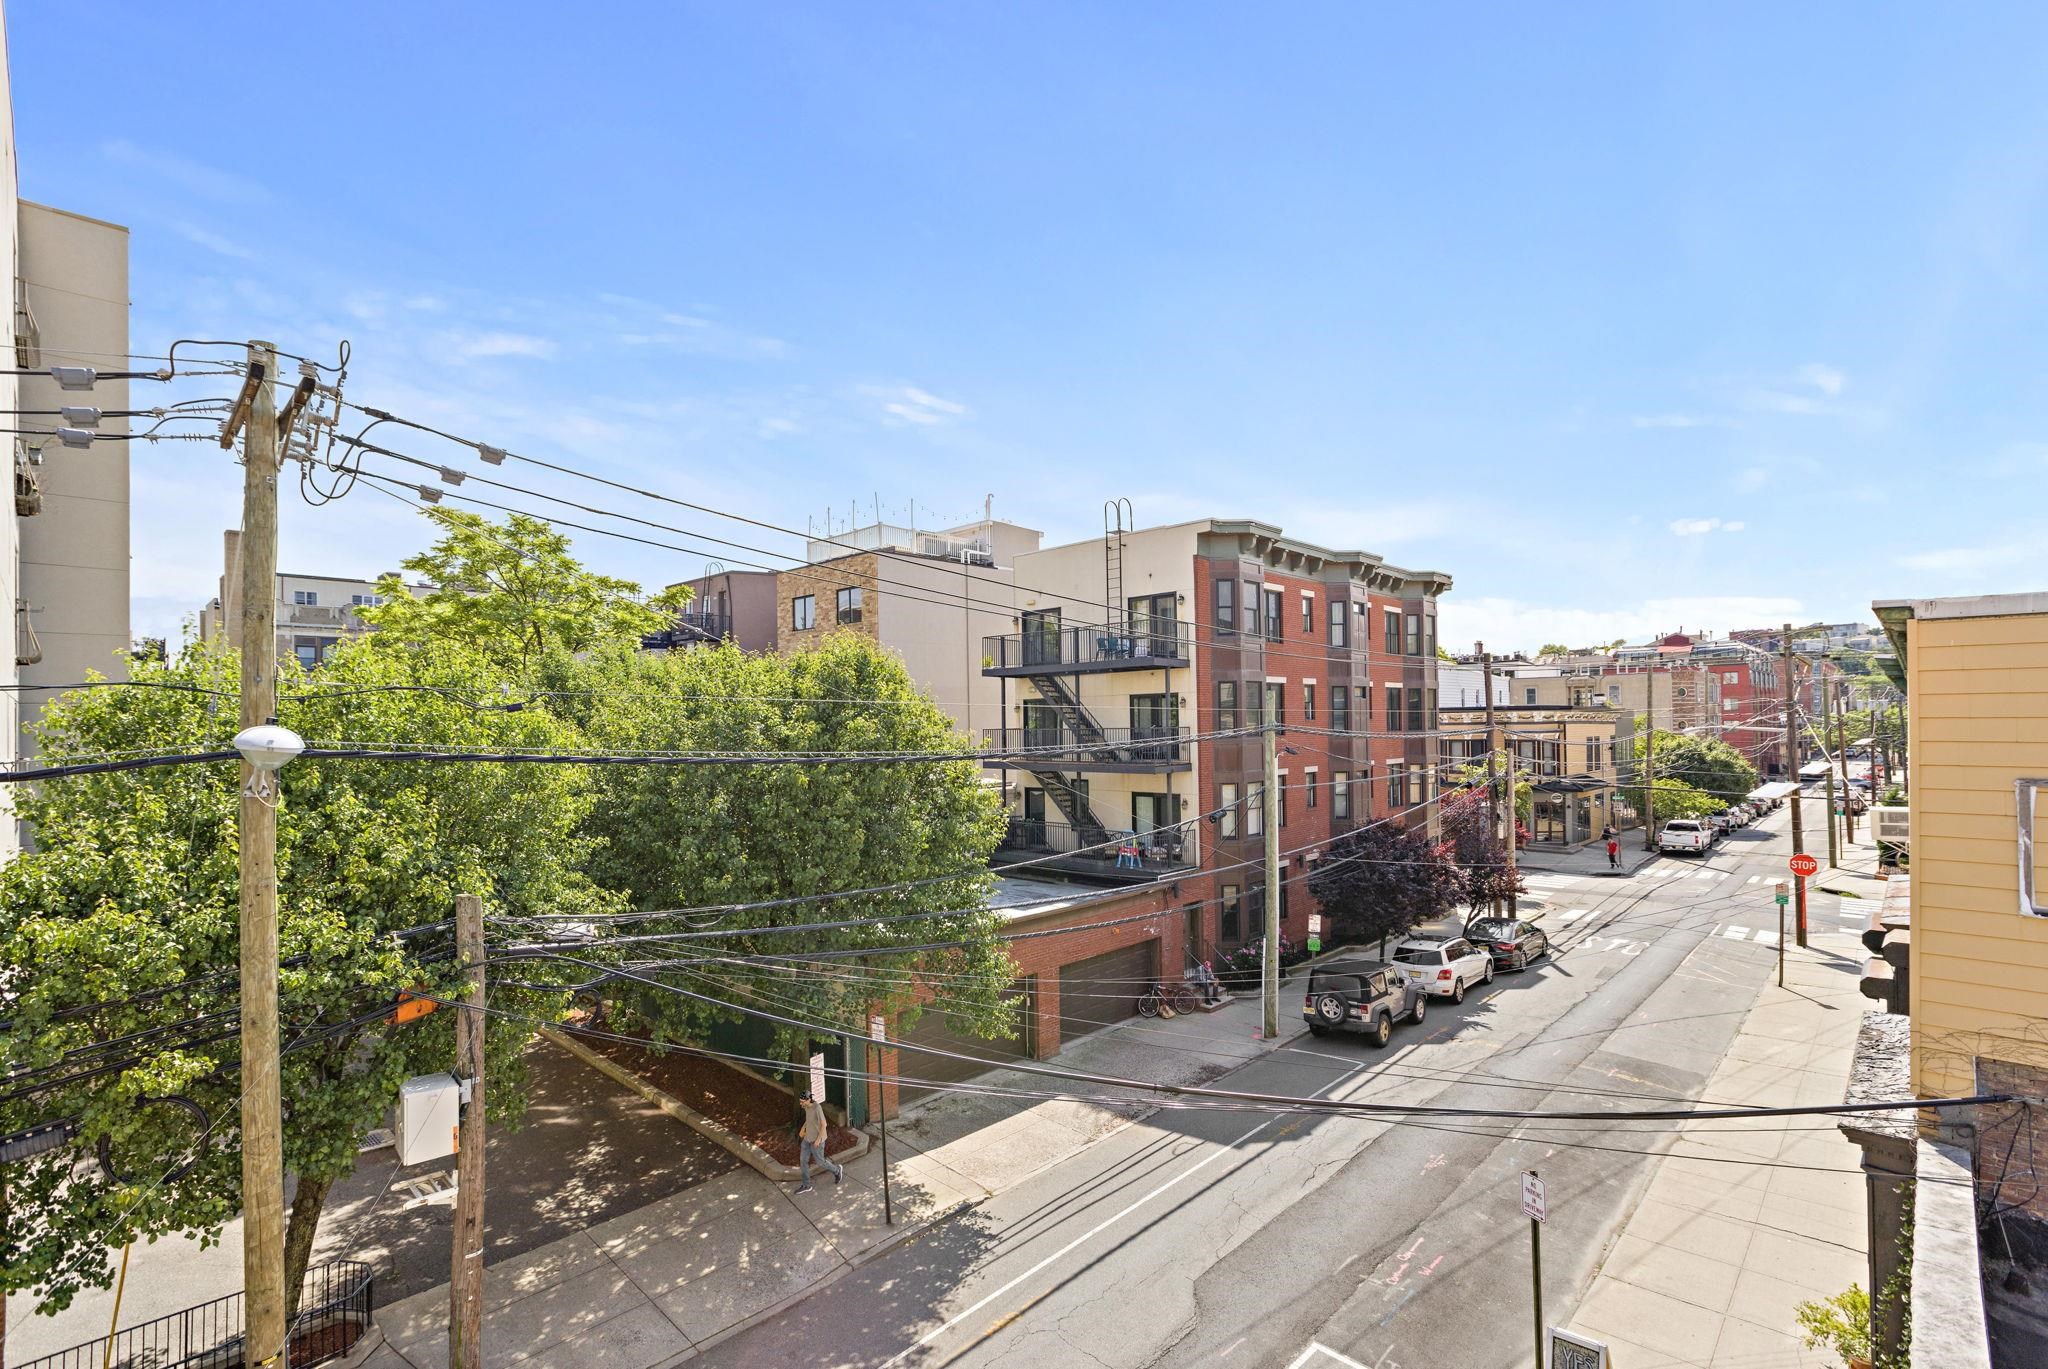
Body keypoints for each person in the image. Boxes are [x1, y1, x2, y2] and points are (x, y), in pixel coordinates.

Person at [793, 1090, 843, 1194]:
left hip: (817, 1140)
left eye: (802, 1101)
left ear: (808, 1100)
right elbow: (809, 1120)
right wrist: (803, 1128)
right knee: (803, 1160)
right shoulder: (806, 1106)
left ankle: (837, 1170)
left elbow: (824, 1125)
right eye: (800, 1101)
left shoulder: (817, 1108)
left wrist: (818, 1139)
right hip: (807, 1138)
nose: (801, 1104)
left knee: (820, 1162)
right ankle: (806, 1185)